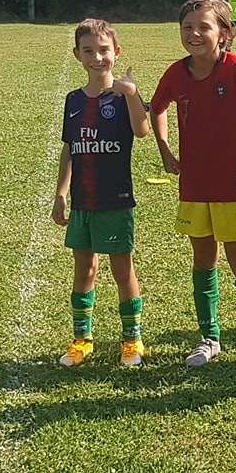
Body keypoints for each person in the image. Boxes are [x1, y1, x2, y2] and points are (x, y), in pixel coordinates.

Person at [151, 0, 236, 370]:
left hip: (234, 186)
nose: (194, 34)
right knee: (203, 259)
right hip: (195, 186)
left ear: (224, 33)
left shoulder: (235, 68)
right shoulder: (176, 73)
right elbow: (156, 107)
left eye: (203, 27)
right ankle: (209, 337)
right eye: (187, 27)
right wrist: (165, 149)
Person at [52, 19, 152, 367]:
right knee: (85, 270)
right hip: (83, 200)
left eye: (104, 50)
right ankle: (82, 339)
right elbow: (70, 148)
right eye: (89, 51)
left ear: (116, 52)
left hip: (116, 199)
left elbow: (142, 131)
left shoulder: (124, 96)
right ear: (77, 55)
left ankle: (132, 340)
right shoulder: (73, 101)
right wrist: (61, 192)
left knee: (122, 271)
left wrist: (131, 92)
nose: (98, 57)